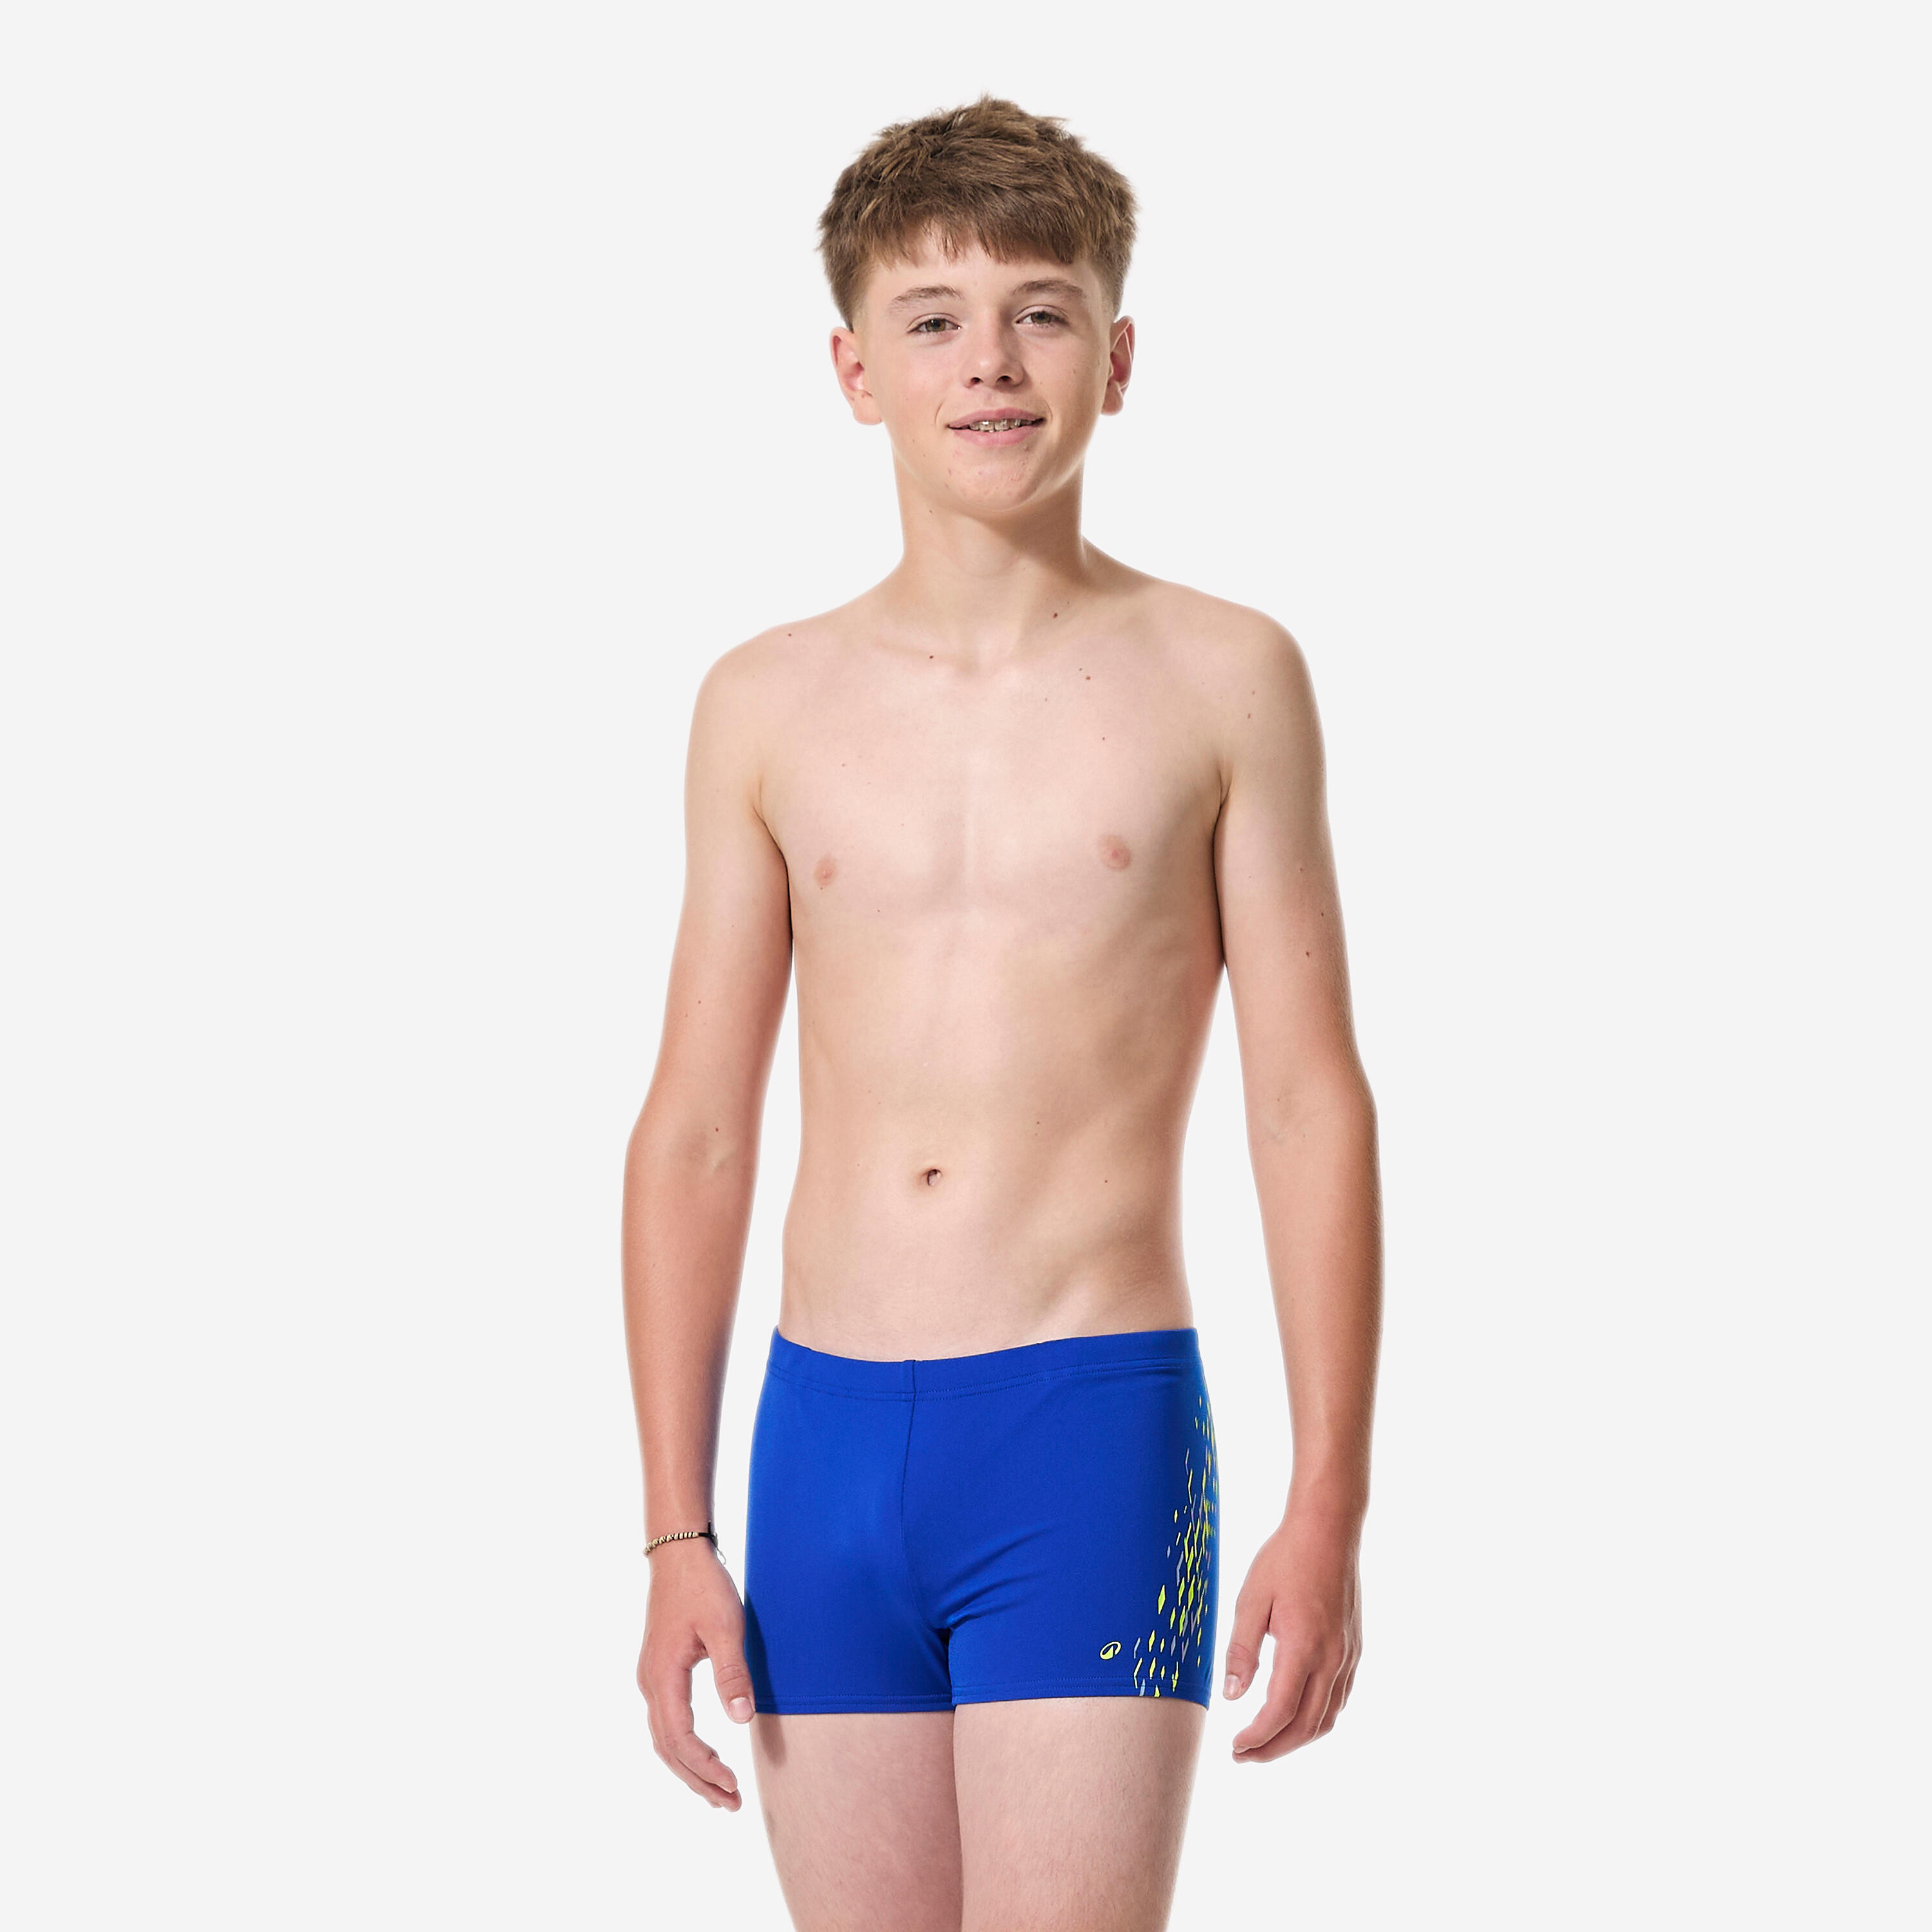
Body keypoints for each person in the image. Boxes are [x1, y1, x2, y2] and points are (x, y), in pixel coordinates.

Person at [623, 96, 1382, 1932]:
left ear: (1117, 360)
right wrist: (673, 1528)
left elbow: (1307, 1102)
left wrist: (1329, 1503)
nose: (991, 362)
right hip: (818, 1439)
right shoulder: (764, 702)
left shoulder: (1226, 676)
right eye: (935, 319)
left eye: (1043, 312)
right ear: (854, 371)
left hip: (1085, 1426)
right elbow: (698, 1127)